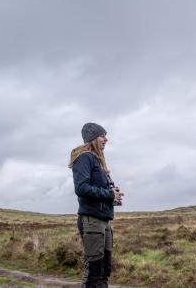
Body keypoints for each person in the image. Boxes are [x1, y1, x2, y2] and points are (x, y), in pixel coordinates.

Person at [68, 122, 123, 288]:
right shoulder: (84, 157)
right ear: (92, 138)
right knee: (93, 271)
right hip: (92, 220)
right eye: (102, 135)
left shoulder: (97, 161)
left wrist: (113, 196)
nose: (106, 139)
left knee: (104, 270)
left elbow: (96, 189)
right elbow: (81, 188)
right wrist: (109, 194)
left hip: (103, 221)